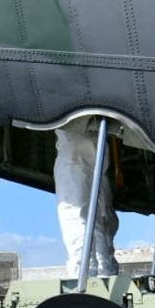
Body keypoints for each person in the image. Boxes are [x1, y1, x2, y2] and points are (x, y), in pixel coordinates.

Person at [54, 115, 118, 279]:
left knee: (73, 208)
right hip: (96, 140)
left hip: (74, 142)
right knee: (99, 211)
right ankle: (104, 266)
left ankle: (83, 269)